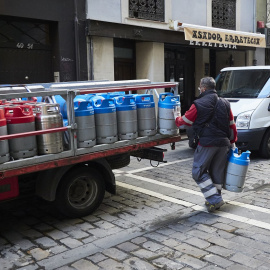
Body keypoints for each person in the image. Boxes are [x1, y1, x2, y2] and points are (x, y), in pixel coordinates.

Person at [173, 77, 237, 212]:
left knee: (198, 171)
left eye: (199, 87)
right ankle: (213, 202)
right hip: (223, 143)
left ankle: (215, 200)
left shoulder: (198, 104)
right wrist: (232, 143)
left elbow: (184, 122)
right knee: (216, 173)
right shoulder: (225, 103)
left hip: (208, 143)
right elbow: (232, 125)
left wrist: (176, 117)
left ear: (203, 88)